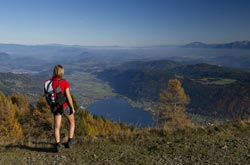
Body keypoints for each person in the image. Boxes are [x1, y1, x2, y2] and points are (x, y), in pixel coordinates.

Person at [45, 64, 76, 152]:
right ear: (62, 72)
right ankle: (70, 141)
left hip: (55, 107)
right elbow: (68, 96)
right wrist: (72, 108)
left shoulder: (49, 83)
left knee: (57, 127)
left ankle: (58, 145)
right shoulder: (64, 82)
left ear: (54, 72)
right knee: (72, 122)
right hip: (65, 106)